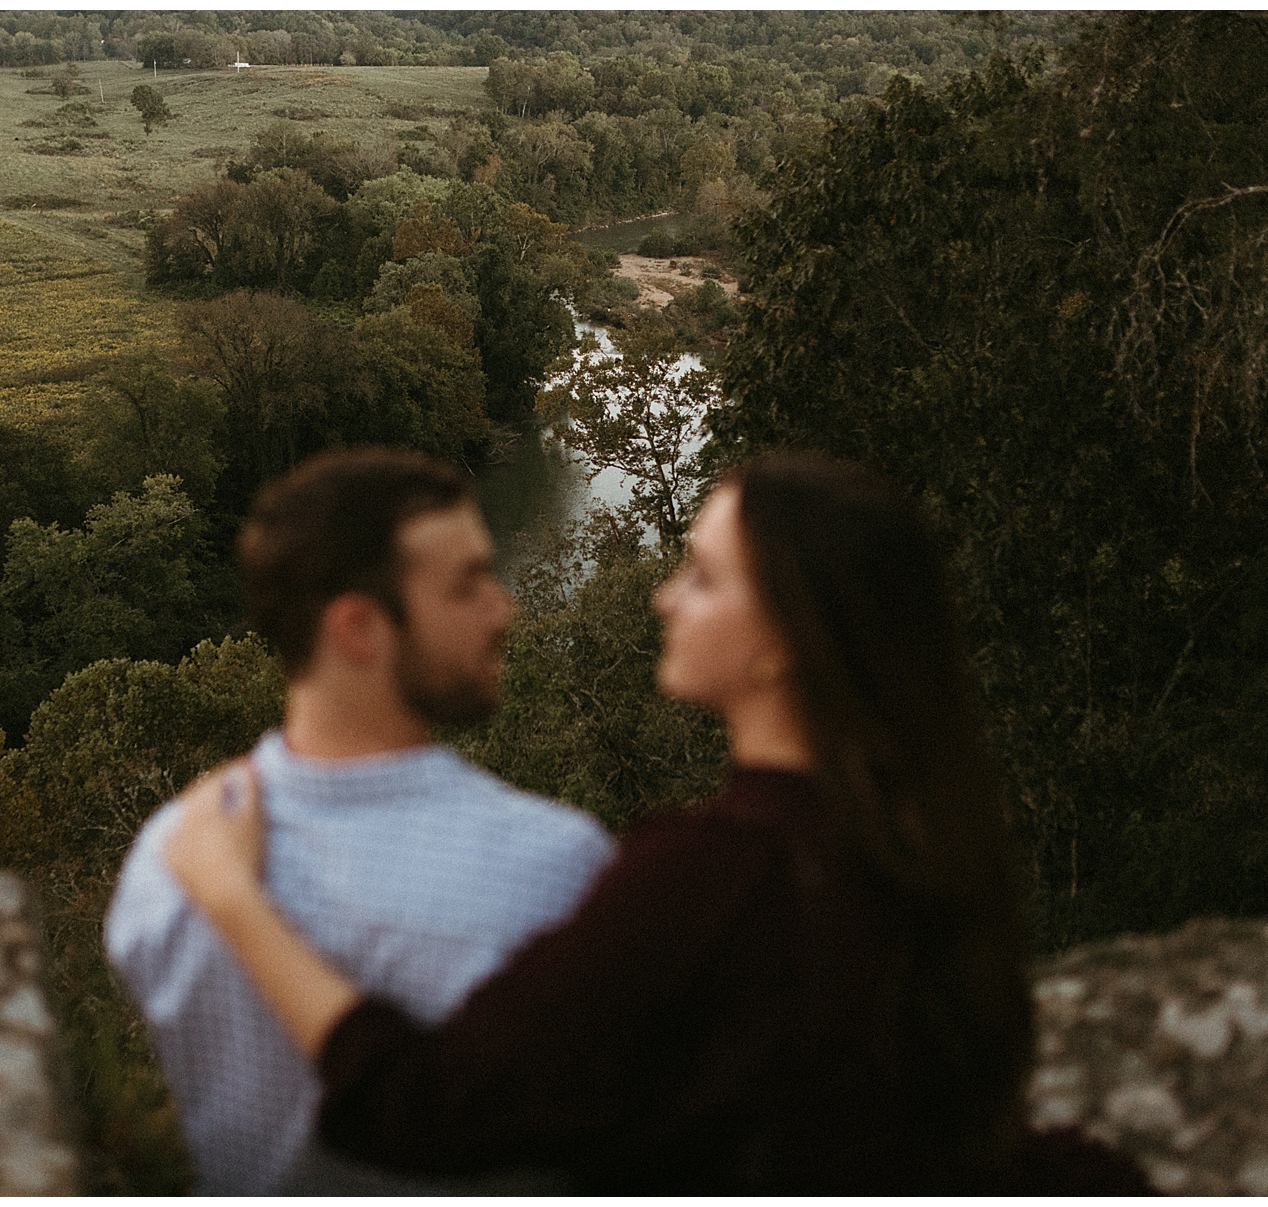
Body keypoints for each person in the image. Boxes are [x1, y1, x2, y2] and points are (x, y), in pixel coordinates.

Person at [164, 450, 1157, 1194]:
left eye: (703, 575)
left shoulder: (715, 876)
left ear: (783, 643)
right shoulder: (916, 835)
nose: (662, 594)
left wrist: (232, 895)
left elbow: (423, 1108)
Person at [104, 449, 613, 1195]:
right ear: (358, 629)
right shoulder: (556, 866)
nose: (503, 607)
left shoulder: (163, 863)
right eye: (468, 584)